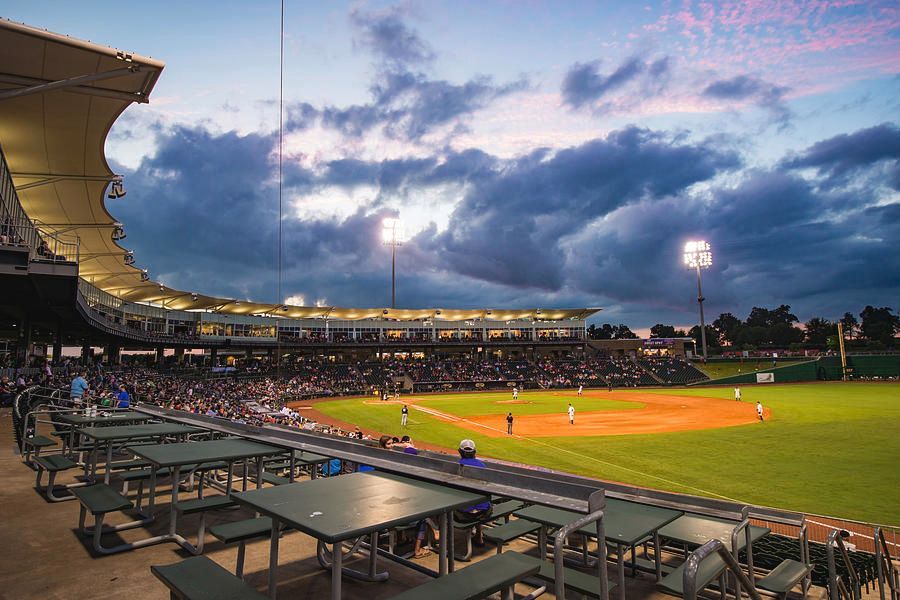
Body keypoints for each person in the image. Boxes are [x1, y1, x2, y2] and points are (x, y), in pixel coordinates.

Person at [455, 439, 492, 545]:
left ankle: (438, 534)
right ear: (474, 452)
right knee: (478, 499)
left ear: (459, 451)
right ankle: (479, 536)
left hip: (463, 515)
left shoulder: (456, 465)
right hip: (485, 513)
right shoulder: (482, 465)